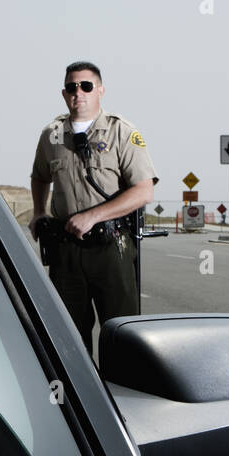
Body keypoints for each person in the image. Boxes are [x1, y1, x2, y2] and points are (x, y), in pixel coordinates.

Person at [29, 61, 158, 354]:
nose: (79, 93)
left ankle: (122, 395)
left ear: (99, 90)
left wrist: (93, 216)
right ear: (64, 94)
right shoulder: (52, 135)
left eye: (86, 86)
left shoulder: (120, 132)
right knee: (68, 335)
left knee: (121, 333)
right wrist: (39, 212)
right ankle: (79, 397)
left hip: (111, 246)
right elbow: (39, 176)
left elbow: (144, 190)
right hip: (66, 250)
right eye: (72, 87)